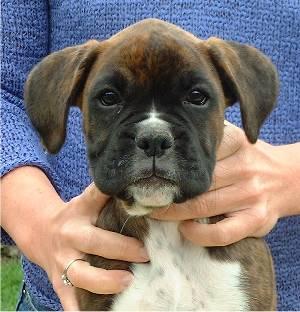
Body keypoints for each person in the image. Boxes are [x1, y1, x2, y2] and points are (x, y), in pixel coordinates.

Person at [1, 0, 299, 311]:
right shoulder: (102, 263)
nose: (154, 137)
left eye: (196, 97)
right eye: (109, 97)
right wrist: (39, 225)